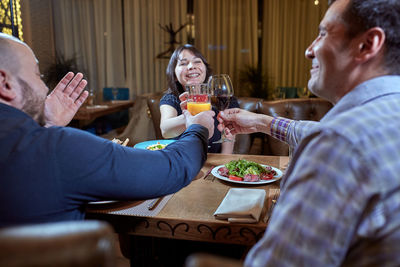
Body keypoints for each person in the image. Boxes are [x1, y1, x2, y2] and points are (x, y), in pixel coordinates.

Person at [218, 0, 400, 265]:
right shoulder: (378, 117)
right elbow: (325, 133)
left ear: (367, 44)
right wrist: (262, 122)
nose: (309, 50)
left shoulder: (339, 143)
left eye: (323, 33)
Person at [0, 33, 215, 228]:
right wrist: (199, 128)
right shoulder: (58, 148)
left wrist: (46, 125)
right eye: (37, 75)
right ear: (5, 83)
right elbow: (170, 169)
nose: (45, 87)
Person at [159, 44, 239, 154]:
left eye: (197, 61)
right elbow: (165, 130)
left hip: (214, 164)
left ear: (205, 69)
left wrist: (222, 165)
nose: (191, 66)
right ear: (175, 75)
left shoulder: (223, 99)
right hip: (182, 162)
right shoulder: (171, 99)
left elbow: (228, 139)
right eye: (183, 63)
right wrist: (191, 117)